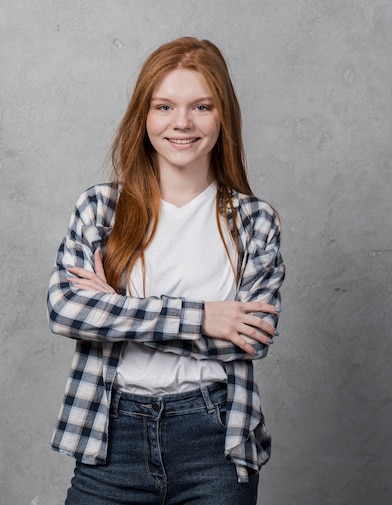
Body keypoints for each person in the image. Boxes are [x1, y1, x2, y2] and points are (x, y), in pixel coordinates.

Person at [47, 37, 285, 505]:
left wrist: (114, 311)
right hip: (111, 439)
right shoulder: (101, 209)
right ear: (145, 116)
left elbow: (252, 336)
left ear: (223, 117)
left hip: (215, 439)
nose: (182, 123)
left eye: (201, 106)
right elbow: (66, 310)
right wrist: (203, 318)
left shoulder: (255, 221)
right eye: (164, 106)